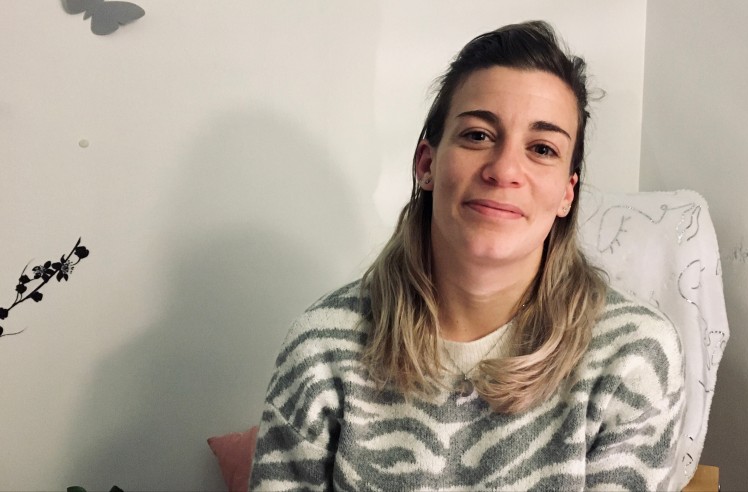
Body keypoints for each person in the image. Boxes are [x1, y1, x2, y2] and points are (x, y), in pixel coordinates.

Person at [250, 21, 685, 491]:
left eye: (542, 149)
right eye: (478, 135)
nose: (504, 170)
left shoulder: (632, 357)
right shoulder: (321, 349)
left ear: (567, 193)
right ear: (426, 164)